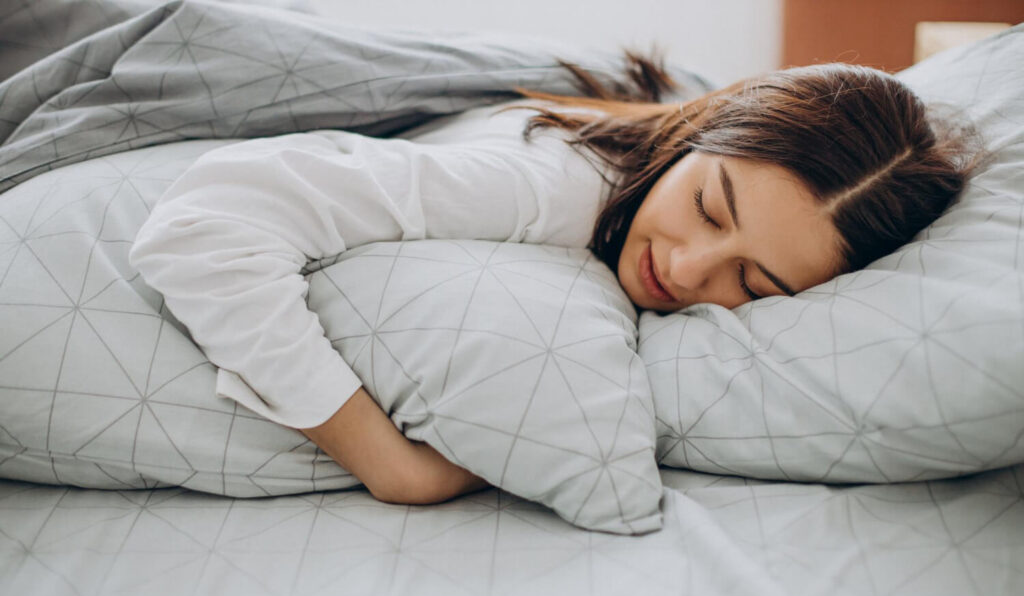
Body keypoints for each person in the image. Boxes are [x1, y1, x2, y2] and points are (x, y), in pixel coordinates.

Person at [129, 53, 978, 506]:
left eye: (752, 285)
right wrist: (392, 464)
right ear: (702, 131)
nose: (685, 270)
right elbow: (204, 223)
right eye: (709, 209)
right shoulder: (546, 189)